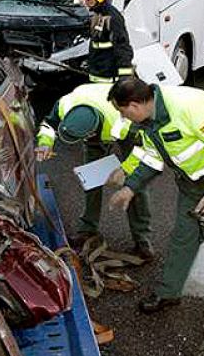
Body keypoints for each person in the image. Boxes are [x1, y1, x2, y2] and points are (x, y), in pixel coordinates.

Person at [106, 78, 204, 323]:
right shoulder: (147, 122)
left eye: (122, 112)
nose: (124, 118)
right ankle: (168, 293)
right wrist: (130, 188)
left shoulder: (192, 105)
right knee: (183, 237)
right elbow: (153, 159)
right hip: (192, 183)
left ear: (134, 105)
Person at [36, 83, 155, 258]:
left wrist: (125, 169)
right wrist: (45, 143)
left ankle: (142, 239)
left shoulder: (124, 121)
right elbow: (48, 124)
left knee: (135, 184)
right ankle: (88, 229)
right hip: (97, 123)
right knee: (91, 178)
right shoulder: (65, 105)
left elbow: (144, 149)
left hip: (124, 132)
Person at [74, 0, 134, 83]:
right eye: (83, 1)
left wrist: (125, 79)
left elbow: (123, 48)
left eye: (89, 0)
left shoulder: (113, 18)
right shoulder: (96, 15)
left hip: (108, 80)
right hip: (96, 77)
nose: (86, 5)